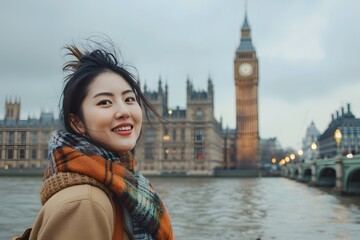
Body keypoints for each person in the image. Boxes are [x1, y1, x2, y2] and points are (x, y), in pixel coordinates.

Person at [15, 40, 174, 240]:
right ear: (77, 122)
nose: (124, 111)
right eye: (105, 102)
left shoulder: (122, 185)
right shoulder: (85, 204)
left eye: (129, 99)